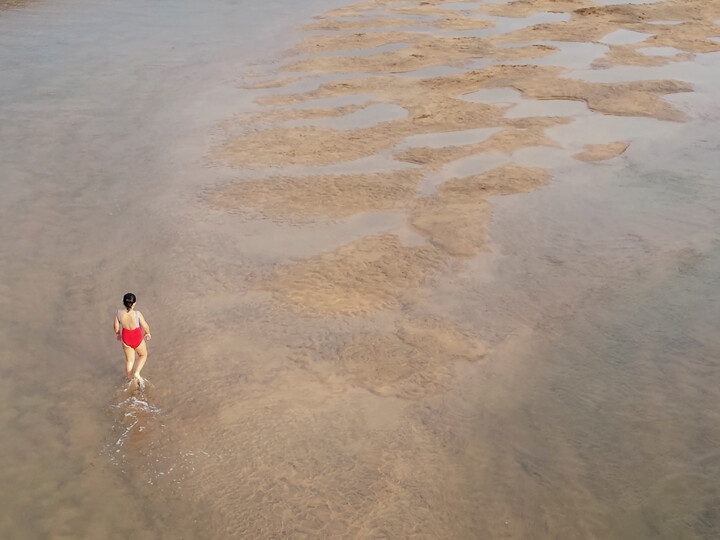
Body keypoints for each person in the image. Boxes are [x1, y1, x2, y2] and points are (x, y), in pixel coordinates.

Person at [114, 292, 152, 384]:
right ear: (134, 303)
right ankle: (137, 373)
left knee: (129, 360)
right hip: (137, 337)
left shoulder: (119, 313)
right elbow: (145, 325)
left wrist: (118, 334)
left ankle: (130, 379)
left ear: (123, 302)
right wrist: (147, 333)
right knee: (143, 355)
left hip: (126, 338)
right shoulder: (137, 313)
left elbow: (115, 327)